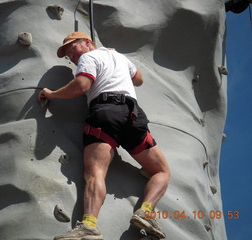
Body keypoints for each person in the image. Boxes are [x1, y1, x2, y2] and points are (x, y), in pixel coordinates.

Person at [38, 32, 170, 240]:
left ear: (88, 43)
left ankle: (89, 226)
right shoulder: (119, 57)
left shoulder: (88, 58)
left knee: (95, 172)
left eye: (73, 48)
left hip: (105, 113)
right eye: (67, 54)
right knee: (161, 171)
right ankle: (145, 212)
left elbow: (82, 86)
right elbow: (139, 79)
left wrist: (51, 94)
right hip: (133, 116)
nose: (71, 56)